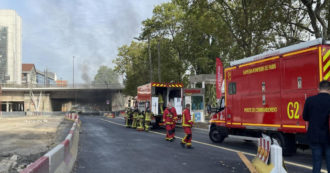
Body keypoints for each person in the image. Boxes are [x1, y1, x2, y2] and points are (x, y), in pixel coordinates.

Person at [303, 80, 330, 173]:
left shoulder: (310, 100)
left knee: (316, 163)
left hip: (314, 135)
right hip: (328, 136)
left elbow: (305, 117)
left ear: (318, 89)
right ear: (329, 89)